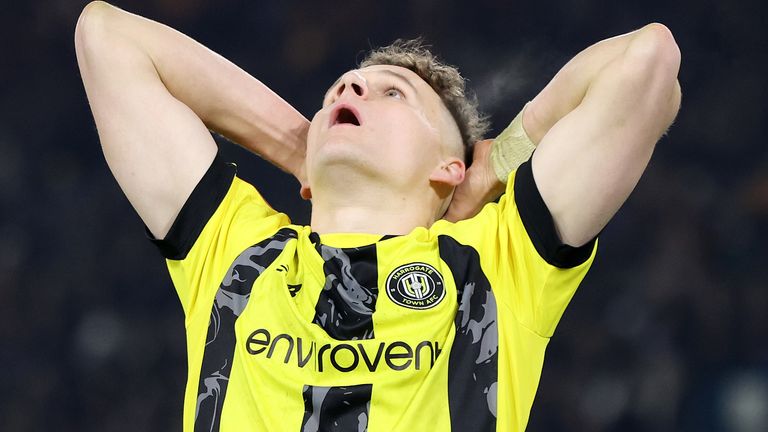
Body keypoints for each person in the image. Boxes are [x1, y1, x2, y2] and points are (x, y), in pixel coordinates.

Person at [74, 2, 681, 431]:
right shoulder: (235, 252)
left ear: (449, 167)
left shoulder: (497, 263)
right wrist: (300, 147)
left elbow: (648, 60)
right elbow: (106, 36)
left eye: (392, 93)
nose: (348, 92)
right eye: (338, 93)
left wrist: (498, 164)